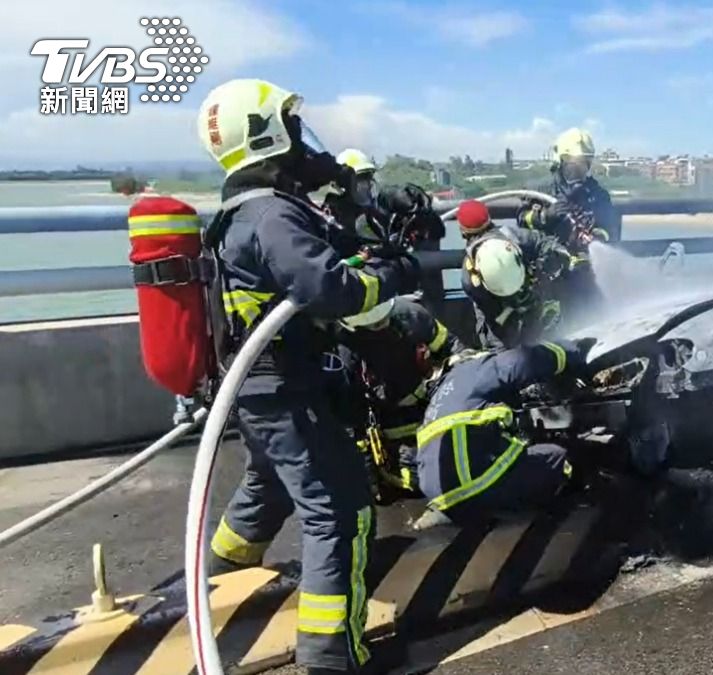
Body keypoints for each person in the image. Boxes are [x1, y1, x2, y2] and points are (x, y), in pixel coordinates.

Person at [197, 78, 419, 675]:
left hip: (256, 389)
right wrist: (393, 276)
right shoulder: (271, 214)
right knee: (339, 510)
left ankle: (215, 589)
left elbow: (325, 252)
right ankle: (330, 655)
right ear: (268, 136)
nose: (303, 139)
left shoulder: (241, 211)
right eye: (293, 128)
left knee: (268, 485)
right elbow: (330, 287)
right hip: (285, 387)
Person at [414, 339, 594, 525]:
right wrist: (571, 351)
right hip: (474, 486)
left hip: (441, 498)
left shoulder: (440, 397)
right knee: (558, 457)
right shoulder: (474, 370)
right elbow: (522, 362)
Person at [337, 294, 462, 505]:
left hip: (432, 401)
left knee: (456, 464)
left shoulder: (410, 314)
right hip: (387, 417)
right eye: (376, 324)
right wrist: (367, 476)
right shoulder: (344, 347)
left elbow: (452, 347)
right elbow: (349, 416)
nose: (384, 325)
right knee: (416, 480)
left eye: (384, 319)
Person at [457, 199, 578, 349]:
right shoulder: (512, 235)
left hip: (503, 334)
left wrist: (547, 264)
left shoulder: (468, 273)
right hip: (516, 320)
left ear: (463, 231)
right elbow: (547, 244)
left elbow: (549, 246)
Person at [516, 128, 619, 250]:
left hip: (585, 256)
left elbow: (610, 226)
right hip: (548, 256)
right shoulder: (539, 190)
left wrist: (598, 236)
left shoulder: (598, 195)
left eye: (583, 164)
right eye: (573, 164)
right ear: (560, 162)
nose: (578, 170)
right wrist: (545, 216)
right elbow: (522, 220)